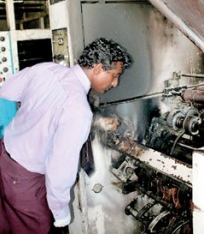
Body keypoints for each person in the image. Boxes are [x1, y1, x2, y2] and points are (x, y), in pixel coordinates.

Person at [0, 37, 132, 234]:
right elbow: (59, 168)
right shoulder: (78, 110)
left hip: (4, 156)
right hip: (26, 180)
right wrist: (60, 212)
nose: (115, 83)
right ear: (97, 69)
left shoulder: (45, 69)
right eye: (114, 75)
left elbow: (7, 91)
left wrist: (33, 114)